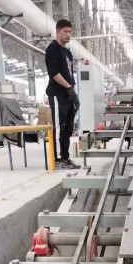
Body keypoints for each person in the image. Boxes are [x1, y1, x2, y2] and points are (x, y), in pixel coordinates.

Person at [45, 19, 81, 169]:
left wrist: (74, 93)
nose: (68, 34)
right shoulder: (52, 49)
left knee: (68, 128)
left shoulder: (67, 52)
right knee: (60, 127)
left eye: (70, 32)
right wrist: (68, 88)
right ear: (58, 31)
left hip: (68, 94)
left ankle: (65, 158)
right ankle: (58, 159)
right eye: (65, 31)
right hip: (57, 93)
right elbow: (54, 73)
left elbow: (70, 74)